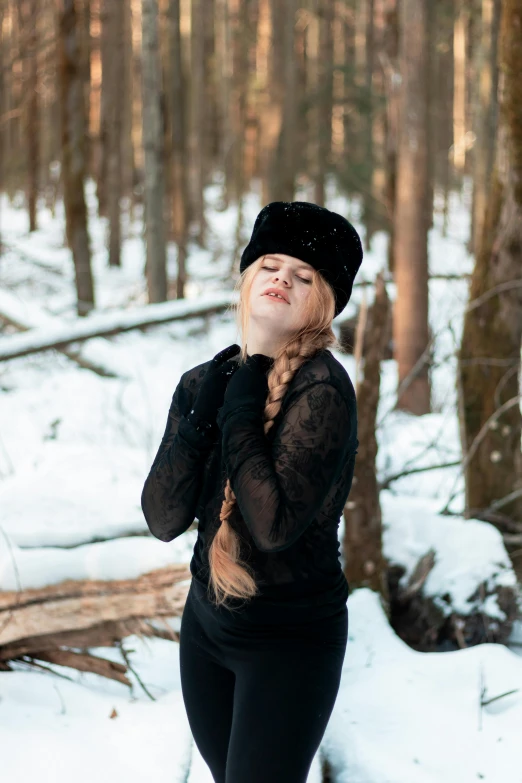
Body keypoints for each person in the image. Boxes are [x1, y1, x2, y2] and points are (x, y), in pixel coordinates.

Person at [141, 201, 363, 783]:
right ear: (247, 279)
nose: (282, 278)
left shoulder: (324, 392)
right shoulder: (203, 381)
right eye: (270, 264)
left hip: (289, 646)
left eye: (304, 274)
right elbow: (163, 518)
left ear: (324, 301)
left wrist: (241, 411)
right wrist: (199, 420)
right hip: (206, 632)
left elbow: (272, 527)